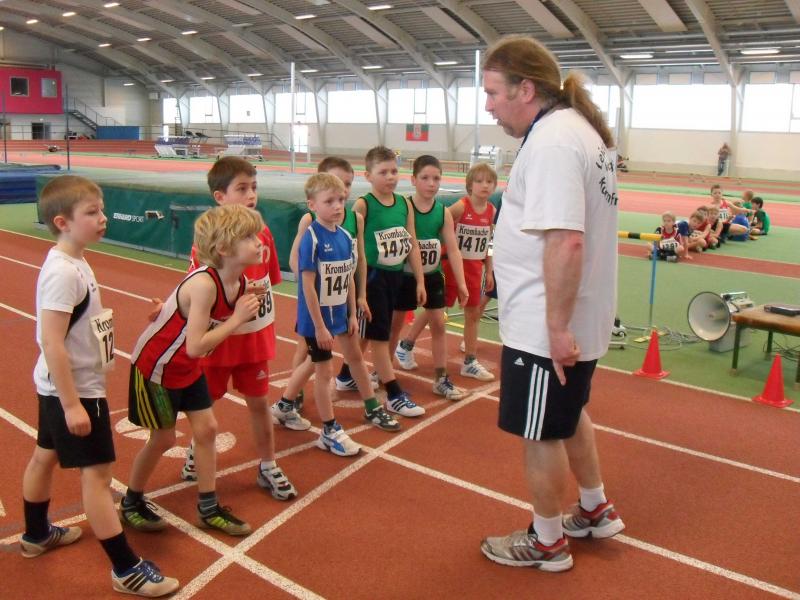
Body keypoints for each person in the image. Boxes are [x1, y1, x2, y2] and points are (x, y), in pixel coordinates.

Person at [478, 35, 625, 572]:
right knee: (568, 414)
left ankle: (547, 542)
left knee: (540, 433)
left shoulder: (554, 142)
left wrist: (557, 330)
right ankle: (595, 508)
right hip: (570, 318)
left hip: (547, 327)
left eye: (493, 93)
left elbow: (567, 241)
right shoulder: (577, 131)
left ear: (525, 89)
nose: (488, 106)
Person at [22, 175, 178, 596]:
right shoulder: (63, 272)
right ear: (62, 222)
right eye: (92, 212)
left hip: (62, 386)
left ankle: (36, 535)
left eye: (102, 209)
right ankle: (125, 569)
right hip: (74, 390)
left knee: (44, 455)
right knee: (98, 477)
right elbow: (51, 340)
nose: (103, 218)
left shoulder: (75, 260)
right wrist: (73, 404)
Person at [121, 204, 264, 537]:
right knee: (164, 438)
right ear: (223, 248)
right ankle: (131, 501)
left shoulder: (238, 282)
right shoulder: (205, 284)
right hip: (156, 369)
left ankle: (208, 508)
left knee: (208, 429)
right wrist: (236, 319)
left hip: (186, 368)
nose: (258, 242)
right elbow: (196, 345)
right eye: (248, 237)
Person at [164, 157, 298, 502]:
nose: (251, 194)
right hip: (218, 343)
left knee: (259, 403)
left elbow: (269, 281)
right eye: (242, 188)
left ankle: (268, 464)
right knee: (204, 406)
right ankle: (196, 450)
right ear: (220, 196)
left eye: (254, 187)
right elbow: (195, 291)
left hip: (253, 341)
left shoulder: (263, 234)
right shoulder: (208, 244)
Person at [279, 173, 383, 455]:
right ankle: (329, 430)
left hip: (339, 314)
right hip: (317, 319)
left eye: (341, 200)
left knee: (314, 362)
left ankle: (284, 404)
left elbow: (348, 277)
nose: (337, 206)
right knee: (324, 371)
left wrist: (351, 314)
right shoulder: (311, 239)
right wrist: (319, 326)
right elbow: (307, 286)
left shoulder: (346, 237)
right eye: (329, 201)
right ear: (312, 205)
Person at [351, 145, 427, 420]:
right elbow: (353, 245)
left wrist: (419, 280)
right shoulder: (363, 205)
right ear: (368, 176)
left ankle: (346, 375)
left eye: (394, 171)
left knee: (374, 330)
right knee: (380, 337)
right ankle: (394, 394)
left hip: (396, 276)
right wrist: (358, 288)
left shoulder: (404, 204)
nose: (390, 177)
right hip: (372, 277)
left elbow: (412, 243)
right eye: (383, 172)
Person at [392, 155, 469, 400]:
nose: (431, 183)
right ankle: (382, 373)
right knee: (395, 326)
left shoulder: (442, 212)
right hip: (405, 277)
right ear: (413, 180)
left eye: (436, 178)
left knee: (438, 324)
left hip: (433, 275)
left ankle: (441, 378)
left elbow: (453, 249)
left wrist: (462, 283)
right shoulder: (403, 208)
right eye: (425, 178)